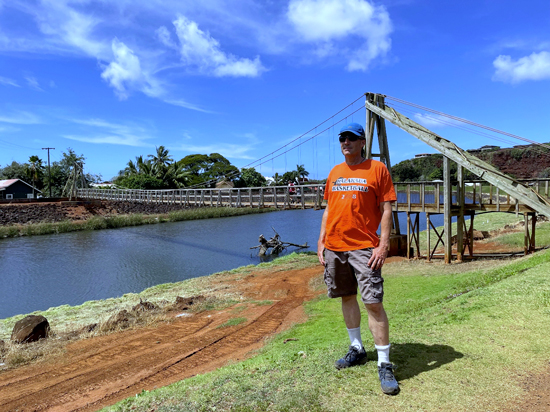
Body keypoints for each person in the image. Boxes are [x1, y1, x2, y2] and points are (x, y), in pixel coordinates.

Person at [317, 122, 399, 395]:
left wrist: (383, 244)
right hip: (334, 246)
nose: (346, 142)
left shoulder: (378, 169)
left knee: (373, 302)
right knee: (346, 296)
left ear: (362, 142)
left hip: (364, 247)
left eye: (351, 138)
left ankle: (385, 364)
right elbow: (329, 209)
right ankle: (357, 349)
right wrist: (321, 240)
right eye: (342, 138)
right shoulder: (335, 172)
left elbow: (386, 209)